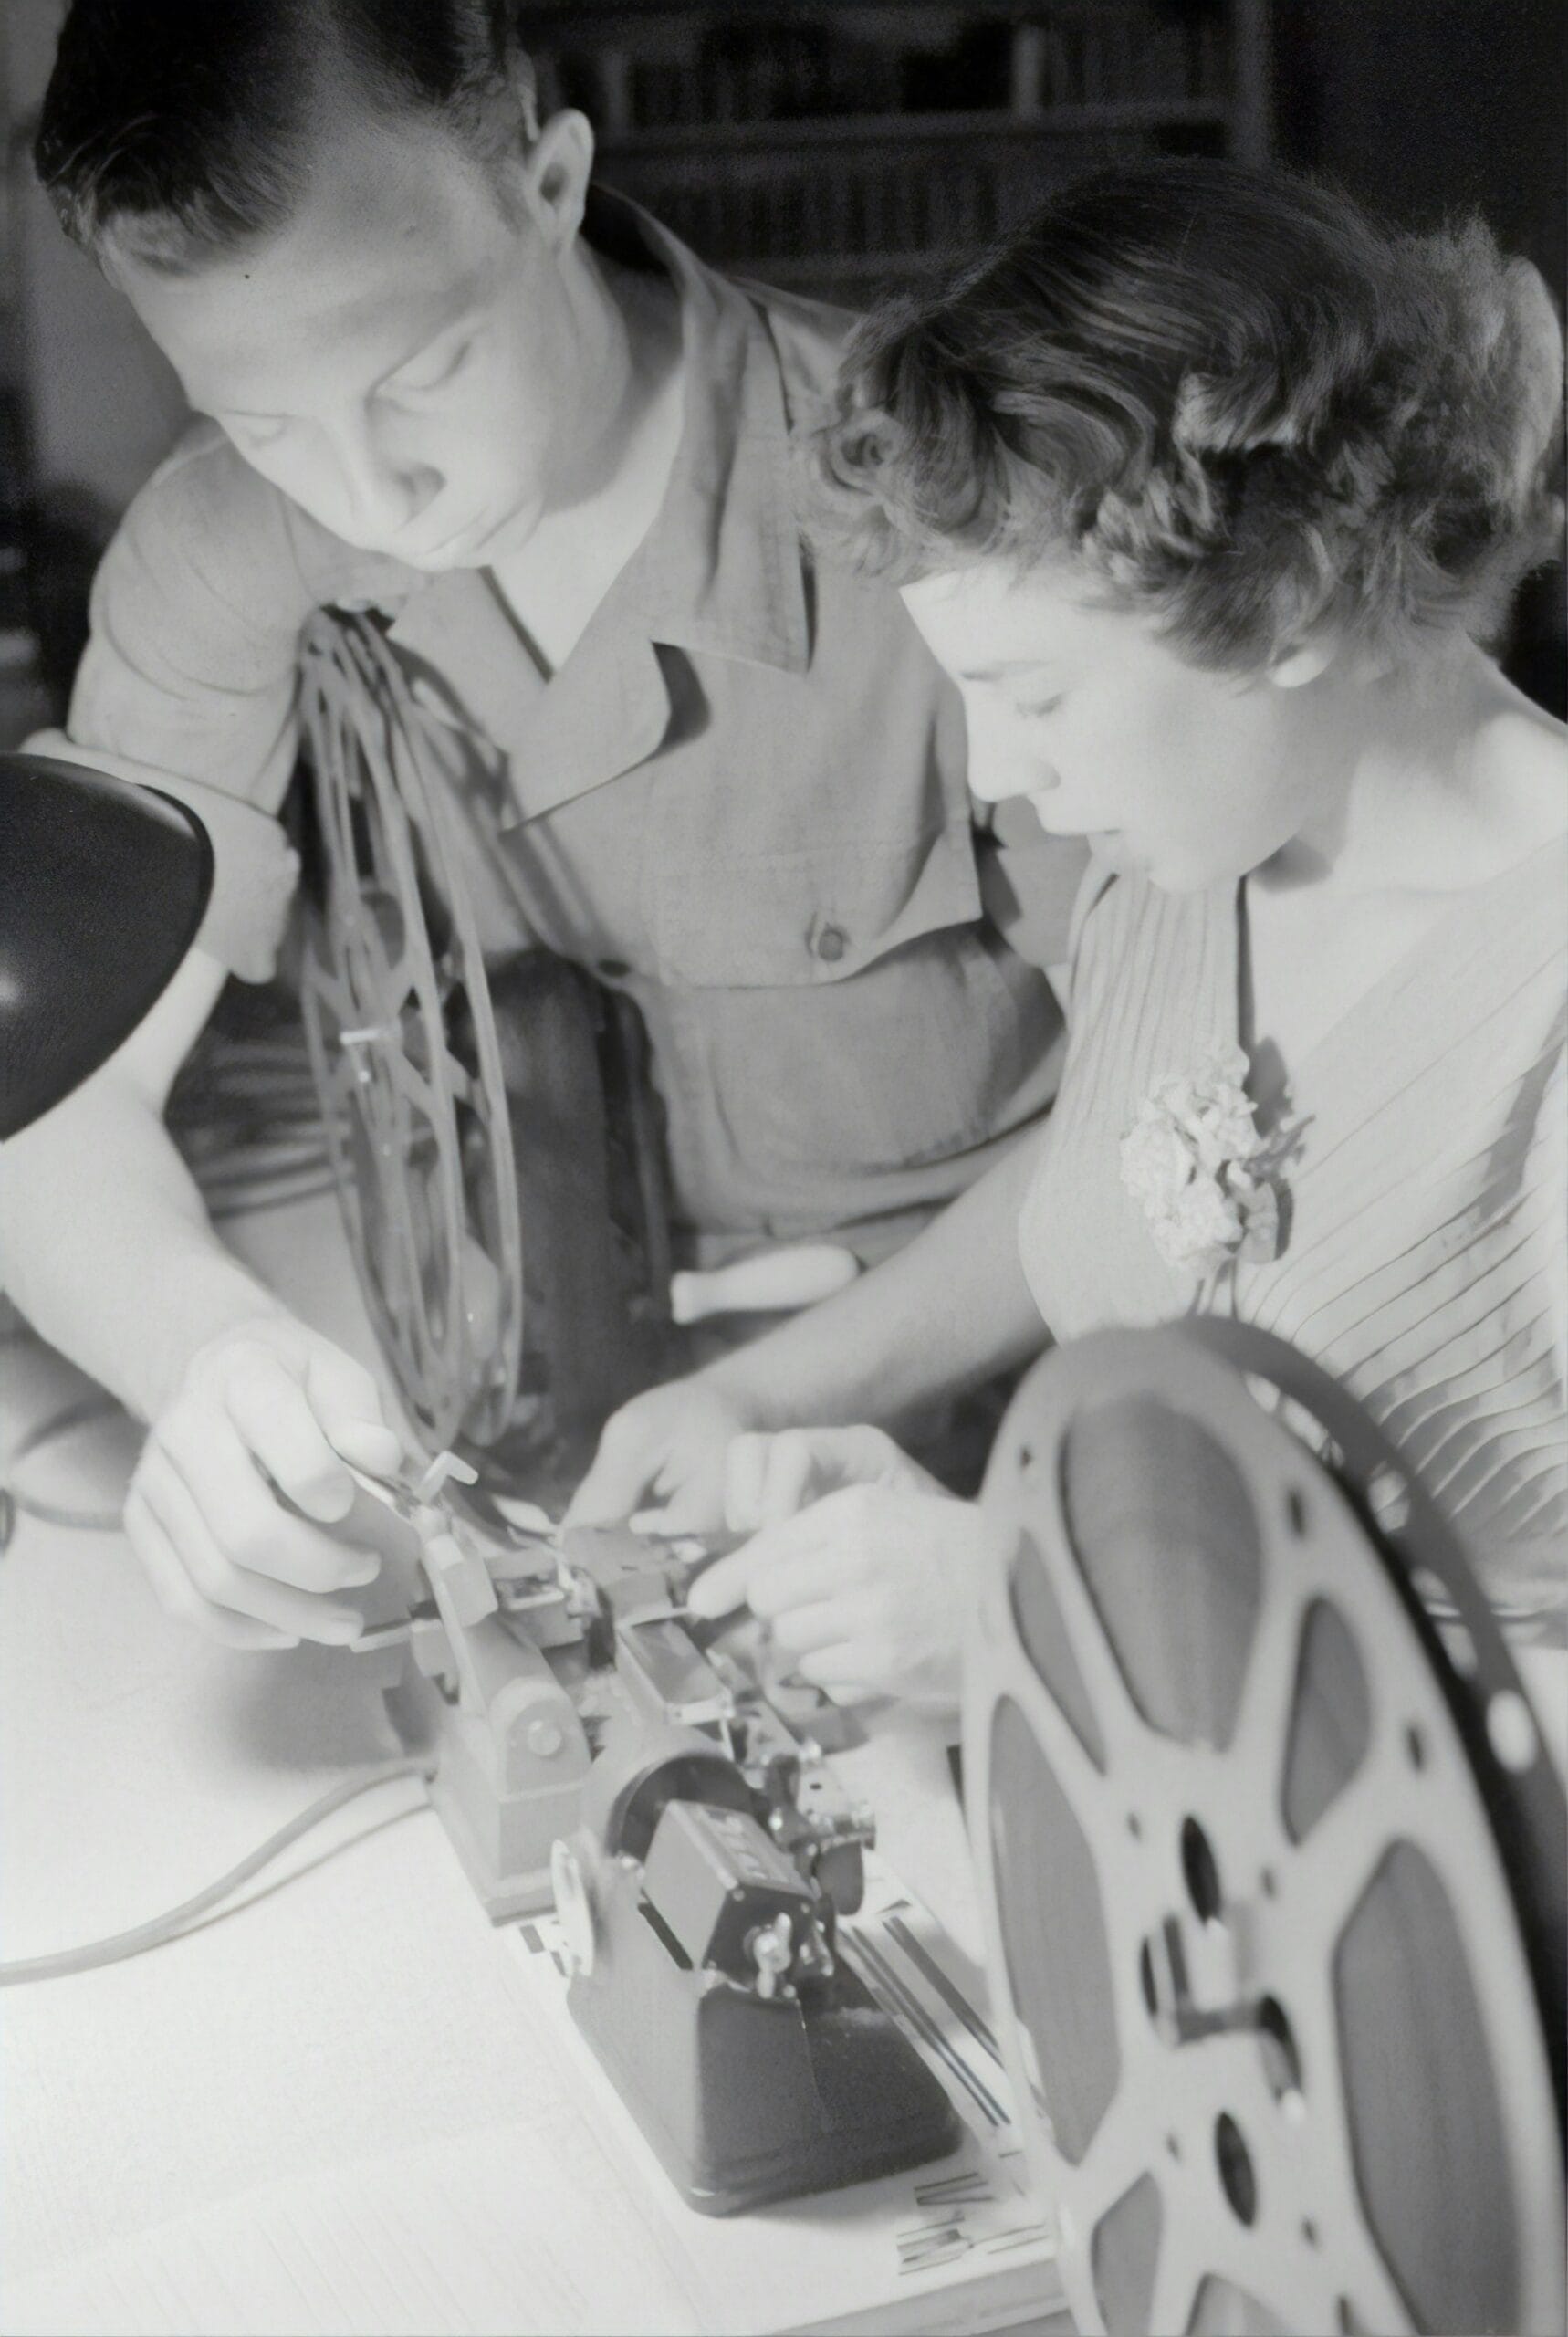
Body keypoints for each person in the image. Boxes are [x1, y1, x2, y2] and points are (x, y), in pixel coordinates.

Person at [0, 1, 1082, 1651]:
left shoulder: (939, 500)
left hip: (1008, 1452)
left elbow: (1178, 1109)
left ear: (550, 181)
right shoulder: (226, 552)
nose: (370, 496)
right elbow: (55, 1095)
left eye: (423, 371)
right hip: (533, 1443)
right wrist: (200, 1349)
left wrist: (788, 1392)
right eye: (262, 422)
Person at [576, 159, 1568, 1704]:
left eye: (1034, 695)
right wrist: (765, 1398)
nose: (995, 774)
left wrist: (1041, 1612)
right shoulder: (1178, 863)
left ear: (1287, 603)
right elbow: (1122, 1184)